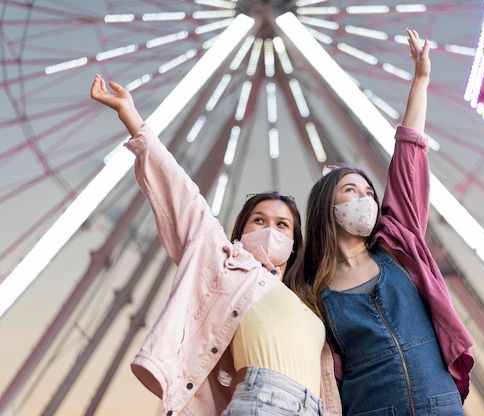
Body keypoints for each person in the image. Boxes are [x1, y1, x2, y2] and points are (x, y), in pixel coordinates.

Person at [90, 75, 341, 416]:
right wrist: (133, 120)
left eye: (282, 225)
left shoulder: (311, 301)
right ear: (241, 230)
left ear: (295, 243)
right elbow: (183, 198)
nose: (270, 230)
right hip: (264, 401)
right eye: (259, 220)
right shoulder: (229, 270)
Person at [297, 29, 474, 415]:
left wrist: (421, 79)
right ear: (326, 205)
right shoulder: (310, 290)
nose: (364, 198)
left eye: (368, 192)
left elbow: (408, 154)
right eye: (350, 190)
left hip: (438, 403)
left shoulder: (398, 244)